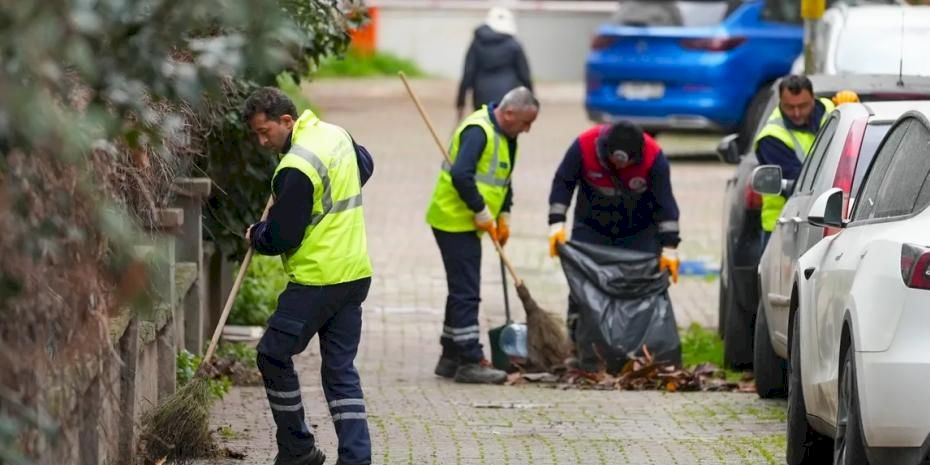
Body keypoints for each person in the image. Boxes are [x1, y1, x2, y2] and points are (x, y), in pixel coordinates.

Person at [243, 87, 375, 465]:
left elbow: (283, 236)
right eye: (256, 134)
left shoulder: (296, 168)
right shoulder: (336, 135)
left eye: (265, 131)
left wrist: (257, 233)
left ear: (287, 121)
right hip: (354, 275)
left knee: (272, 355)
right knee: (339, 371)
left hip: (318, 280)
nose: (262, 141)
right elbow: (365, 164)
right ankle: (356, 458)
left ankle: (298, 449)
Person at [427, 86, 539, 384]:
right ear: (509, 113)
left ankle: (449, 357)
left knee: (460, 289)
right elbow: (461, 175)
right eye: (526, 123)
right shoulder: (479, 130)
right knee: (467, 292)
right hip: (453, 220)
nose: (527, 130)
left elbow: (503, 179)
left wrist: (504, 214)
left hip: (469, 221)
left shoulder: (507, 137)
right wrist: (481, 210)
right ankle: (469, 360)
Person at [547, 120, 681, 341]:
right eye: (615, 162)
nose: (620, 168)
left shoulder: (653, 157)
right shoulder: (584, 146)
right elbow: (563, 182)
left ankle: (636, 340)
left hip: (638, 229)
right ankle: (578, 337)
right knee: (584, 283)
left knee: (639, 284)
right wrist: (556, 223)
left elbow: (664, 203)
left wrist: (670, 247)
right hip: (591, 226)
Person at [755, 75, 835, 246]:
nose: (797, 113)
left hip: (829, 221)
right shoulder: (772, 136)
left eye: (803, 106)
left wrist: (852, 104)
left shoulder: (832, 112)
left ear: (813, 99)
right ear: (780, 102)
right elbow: (799, 185)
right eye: (790, 107)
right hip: (783, 227)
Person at [455, 7, 534, 121]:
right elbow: (525, 75)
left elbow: (468, 73)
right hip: (509, 98)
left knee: (483, 129)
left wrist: (460, 101)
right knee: (506, 132)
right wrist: (531, 100)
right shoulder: (514, 45)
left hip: (481, 97)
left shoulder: (477, 43)